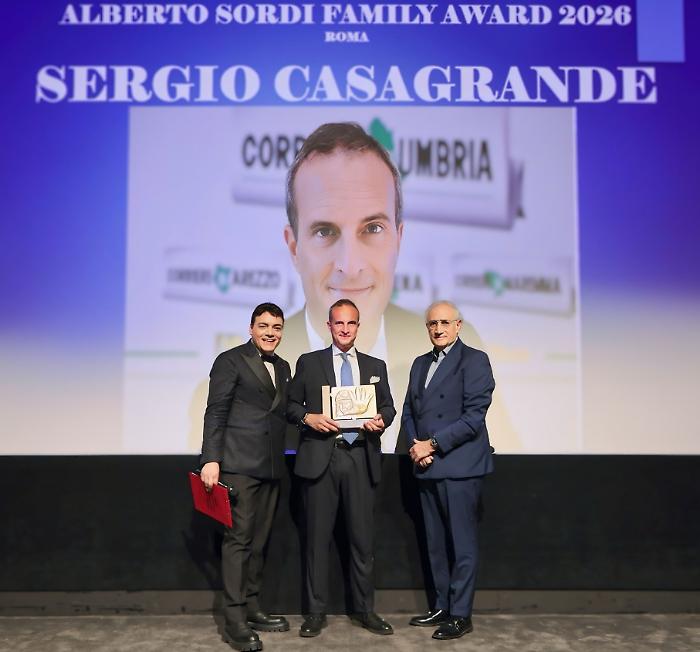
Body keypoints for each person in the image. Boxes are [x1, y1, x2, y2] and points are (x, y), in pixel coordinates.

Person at [278, 121, 511, 453]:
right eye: (324, 231)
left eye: (372, 228)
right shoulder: (263, 361)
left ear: (398, 239)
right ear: (294, 247)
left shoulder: (453, 342)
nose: (350, 265)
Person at [286, 299, 396, 637]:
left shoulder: (375, 365)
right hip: (323, 457)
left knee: (362, 541)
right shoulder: (309, 362)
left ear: (358, 326)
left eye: (351, 323)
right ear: (329, 326)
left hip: (360, 456)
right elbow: (290, 405)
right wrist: (308, 417)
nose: (345, 329)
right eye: (339, 323)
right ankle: (315, 613)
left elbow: (389, 407)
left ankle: (365, 610)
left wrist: (382, 420)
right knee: (317, 541)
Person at [200, 303, 291, 652]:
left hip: (271, 467)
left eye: (277, 327)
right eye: (264, 326)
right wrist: (211, 459)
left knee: (259, 541)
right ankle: (234, 619)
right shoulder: (230, 360)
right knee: (238, 542)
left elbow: (284, 411)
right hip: (238, 465)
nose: (270, 332)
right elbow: (216, 411)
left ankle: (252, 607)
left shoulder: (283, 366)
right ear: (251, 328)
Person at [402, 300, 495, 640]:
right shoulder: (419, 363)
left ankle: (460, 614)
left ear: (458, 325)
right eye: (432, 323)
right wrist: (417, 448)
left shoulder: (475, 360)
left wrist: (432, 445)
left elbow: (473, 418)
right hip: (427, 465)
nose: (438, 329)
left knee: (462, 544)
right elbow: (409, 411)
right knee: (436, 544)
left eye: (444, 322)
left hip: (460, 467)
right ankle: (441, 606)